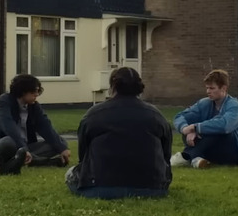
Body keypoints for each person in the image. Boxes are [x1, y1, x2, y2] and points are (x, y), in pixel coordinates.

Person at [65, 67, 172, 199]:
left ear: (113, 87)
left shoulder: (94, 114)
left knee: (70, 173)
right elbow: (166, 153)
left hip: (99, 187)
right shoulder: (156, 115)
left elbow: (84, 153)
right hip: (152, 188)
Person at [0, 74, 71, 169]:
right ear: (23, 91)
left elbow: (46, 127)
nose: (36, 94)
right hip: (8, 147)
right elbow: (9, 127)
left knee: (60, 142)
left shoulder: (34, 107)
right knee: (7, 142)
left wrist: (62, 149)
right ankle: (38, 161)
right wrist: (23, 149)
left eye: (37, 91)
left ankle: (26, 159)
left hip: (27, 148)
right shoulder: (4, 102)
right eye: (33, 91)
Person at [171, 69, 238, 168]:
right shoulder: (204, 103)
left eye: (212, 88)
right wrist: (186, 128)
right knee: (189, 132)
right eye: (207, 88)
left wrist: (196, 127)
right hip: (212, 150)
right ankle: (197, 159)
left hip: (233, 154)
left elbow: (225, 125)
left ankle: (186, 157)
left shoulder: (235, 107)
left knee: (214, 130)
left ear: (223, 88)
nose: (208, 91)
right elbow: (180, 116)